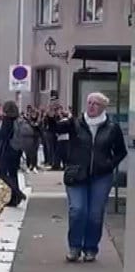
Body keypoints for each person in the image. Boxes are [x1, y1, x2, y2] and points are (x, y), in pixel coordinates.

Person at [49, 92, 127, 261]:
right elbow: (55, 129)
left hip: (101, 176)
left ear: (103, 107)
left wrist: (109, 165)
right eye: (89, 102)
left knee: (95, 213)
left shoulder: (112, 128)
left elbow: (121, 152)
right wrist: (51, 116)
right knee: (77, 210)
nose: (91, 106)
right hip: (77, 174)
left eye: (96, 104)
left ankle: (90, 248)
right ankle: (75, 247)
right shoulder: (76, 123)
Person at [0, 100, 26, 207]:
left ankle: (18, 193)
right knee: (13, 174)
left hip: (8, 149)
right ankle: (15, 198)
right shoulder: (18, 119)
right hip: (17, 150)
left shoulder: (6, 120)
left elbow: (4, 136)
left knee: (2, 173)